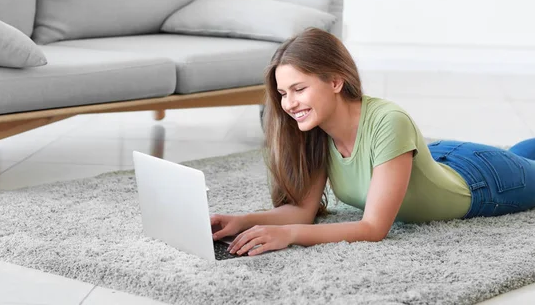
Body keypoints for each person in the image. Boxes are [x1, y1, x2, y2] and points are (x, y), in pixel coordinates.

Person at [210, 27, 535, 257]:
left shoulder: (388, 121)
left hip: (482, 182)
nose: (289, 104)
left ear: (336, 81)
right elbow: (301, 211)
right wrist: (243, 220)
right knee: (524, 155)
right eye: (282, 94)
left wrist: (291, 235)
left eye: (299, 89)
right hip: (438, 160)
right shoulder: (316, 132)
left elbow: (373, 228)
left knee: (525, 166)